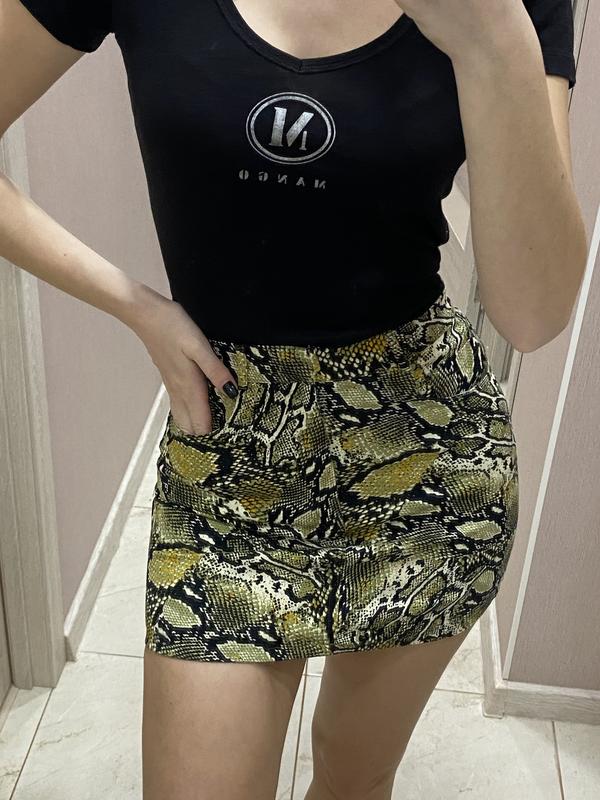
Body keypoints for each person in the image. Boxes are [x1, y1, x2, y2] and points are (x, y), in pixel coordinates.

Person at [0, 1, 588, 798]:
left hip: (425, 453)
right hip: (230, 447)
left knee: (353, 778)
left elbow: (534, 314)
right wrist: (136, 307)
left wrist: (492, 38)